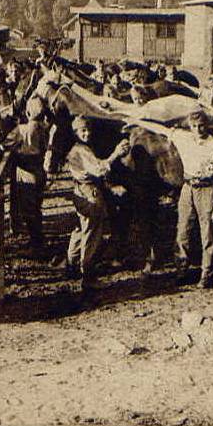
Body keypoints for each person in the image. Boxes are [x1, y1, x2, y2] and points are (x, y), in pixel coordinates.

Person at [128, 111, 213, 288]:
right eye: (194, 127)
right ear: (189, 127)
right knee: (183, 230)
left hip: (208, 188)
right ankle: (182, 269)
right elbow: (162, 129)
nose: (198, 130)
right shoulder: (184, 138)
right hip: (188, 188)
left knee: (208, 232)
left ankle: (208, 272)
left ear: (207, 125)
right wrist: (136, 120)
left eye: (201, 126)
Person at [63, 116, 131, 295]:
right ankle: (88, 277)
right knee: (92, 234)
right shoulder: (81, 151)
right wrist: (116, 153)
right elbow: (100, 169)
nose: (87, 133)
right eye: (82, 131)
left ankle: (72, 264)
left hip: (79, 191)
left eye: (88, 130)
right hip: (90, 192)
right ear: (76, 133)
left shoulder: (77, 149)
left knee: (80, 228)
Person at [3, 95, 50, 253]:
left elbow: (5, 143)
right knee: (36, 206)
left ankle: (37, 244)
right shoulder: (44, 127)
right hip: (39, 169)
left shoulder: (22, 129)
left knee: (28, 209)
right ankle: (38, 239)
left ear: (28, 112)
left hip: (26, 170)